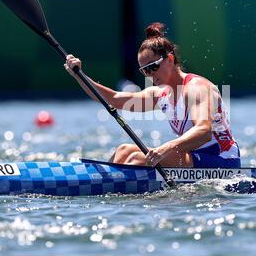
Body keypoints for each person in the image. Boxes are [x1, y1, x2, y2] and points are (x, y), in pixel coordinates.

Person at [64, 22, 240, 168]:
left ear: (170, 60)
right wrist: (79, 75)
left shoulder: (197, 88)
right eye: (144, 70)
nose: (149, 74)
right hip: (193, 157)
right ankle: (105, 184)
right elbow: (113, 99)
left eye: (152, 66)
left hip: (222, 160)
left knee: (135, 160)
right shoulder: (159, 94)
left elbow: (203, 132)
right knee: (124, 150)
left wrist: (166, 148)